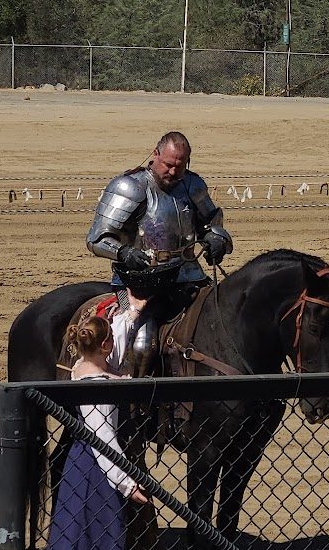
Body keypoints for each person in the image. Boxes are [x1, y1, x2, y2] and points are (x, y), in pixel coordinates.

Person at [38, 315, 168, 550]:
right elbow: (104, 440)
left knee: (72, 541)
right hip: (97, 474)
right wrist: (129, 483)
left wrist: (132, 310)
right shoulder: (98, 386)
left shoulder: (81, 366)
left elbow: (113, 341)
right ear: (106, 345)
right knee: (98, 543)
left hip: (76, 468)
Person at [85, 131, 232, 376]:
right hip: (140, 281)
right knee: (144, 340)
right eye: (168, 165)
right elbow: (96, 238)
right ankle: (136, 401)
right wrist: (123, 253)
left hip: (189, 275)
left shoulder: (193, 185)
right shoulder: (129, 187)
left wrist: (216, 239)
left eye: (180, 166)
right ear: (155, 155)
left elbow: (212, 224)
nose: (174, 172)